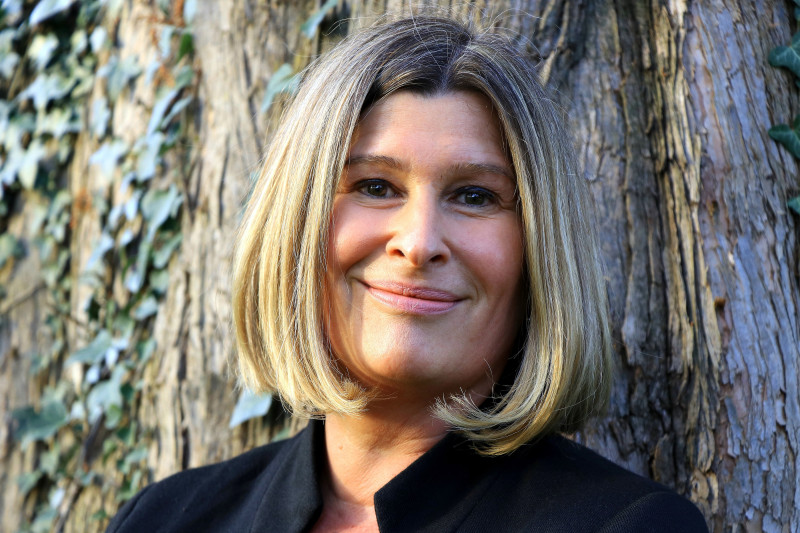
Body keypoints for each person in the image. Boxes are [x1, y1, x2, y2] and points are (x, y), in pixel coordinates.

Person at [107, 14, 709, 533]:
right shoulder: (165, 517)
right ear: (296, 222)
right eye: (375, 186)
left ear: (538, 254)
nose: (418, 244)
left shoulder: (628, 527)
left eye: (475, 196)